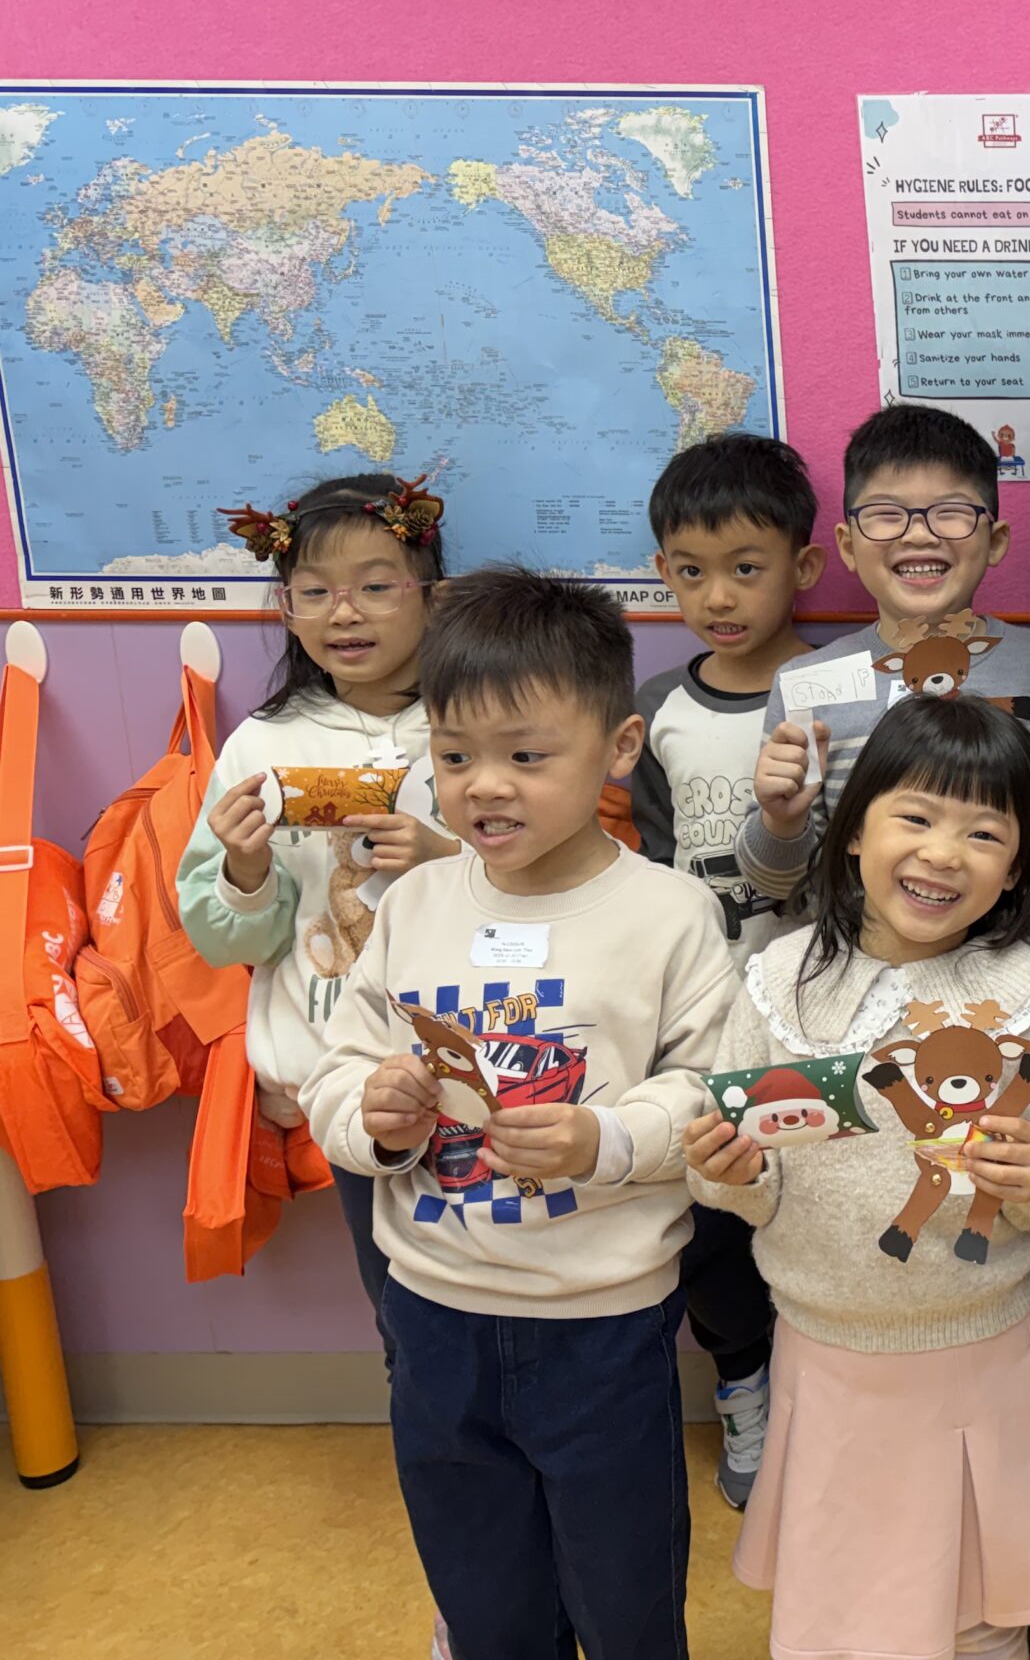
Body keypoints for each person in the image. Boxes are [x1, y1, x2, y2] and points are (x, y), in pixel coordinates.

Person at [299, 569, 738, 1660]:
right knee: (484, 1590)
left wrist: (606, 1139)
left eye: (526, 756)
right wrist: (377, 1116)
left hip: (602, 1322)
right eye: (453, 757)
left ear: (619, 748)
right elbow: (337, 1069)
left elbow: (709, 1087)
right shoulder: (414, 903)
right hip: (433, 1314)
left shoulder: (671, 913)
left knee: (626, 1596)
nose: (484, 787)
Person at [687, 696, 1030, 1660]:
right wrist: (725, 1172)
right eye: (915, 816)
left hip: (981, 1355)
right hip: (826, 1356)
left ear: (1017, 869)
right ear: (851, 832)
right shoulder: (779, 978)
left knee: (987, 1612)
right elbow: (742, 1174)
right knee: (841, 1611)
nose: (943, 853)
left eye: (984, 833)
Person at [181, 473, 458, 1344]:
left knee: (504, 1279)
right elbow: (227, 939)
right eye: (315, 592)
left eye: (376, 586)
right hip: (344, 1071)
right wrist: (244, 865)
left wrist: (447, 859)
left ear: (432, 596)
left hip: (480, 1049)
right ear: (288, 608)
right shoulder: (263, 745)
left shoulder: (476, 724)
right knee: (402, 1309)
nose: (346, 613)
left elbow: (552, 877)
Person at [630, 433, 828, 1510]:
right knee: (713, 1213)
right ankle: (745, 1385)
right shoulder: (656, 704)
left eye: (746, 568)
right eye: (690, 571)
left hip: (819, 1005)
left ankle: (821, 1395)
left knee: (820, 1197)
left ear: (803, 566)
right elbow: (651, 863)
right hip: (702, 1017)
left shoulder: (838, 688)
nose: (717, 595)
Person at [736, 404, 1030, 962]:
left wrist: (1015, 819)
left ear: (995, 540)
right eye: (886, 515)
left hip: (1023, 957)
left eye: (951, 513)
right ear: (848, 545)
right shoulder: (806, 685)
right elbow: (777, 882)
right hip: (860, 962)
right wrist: (781, 820)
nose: (919, 534)